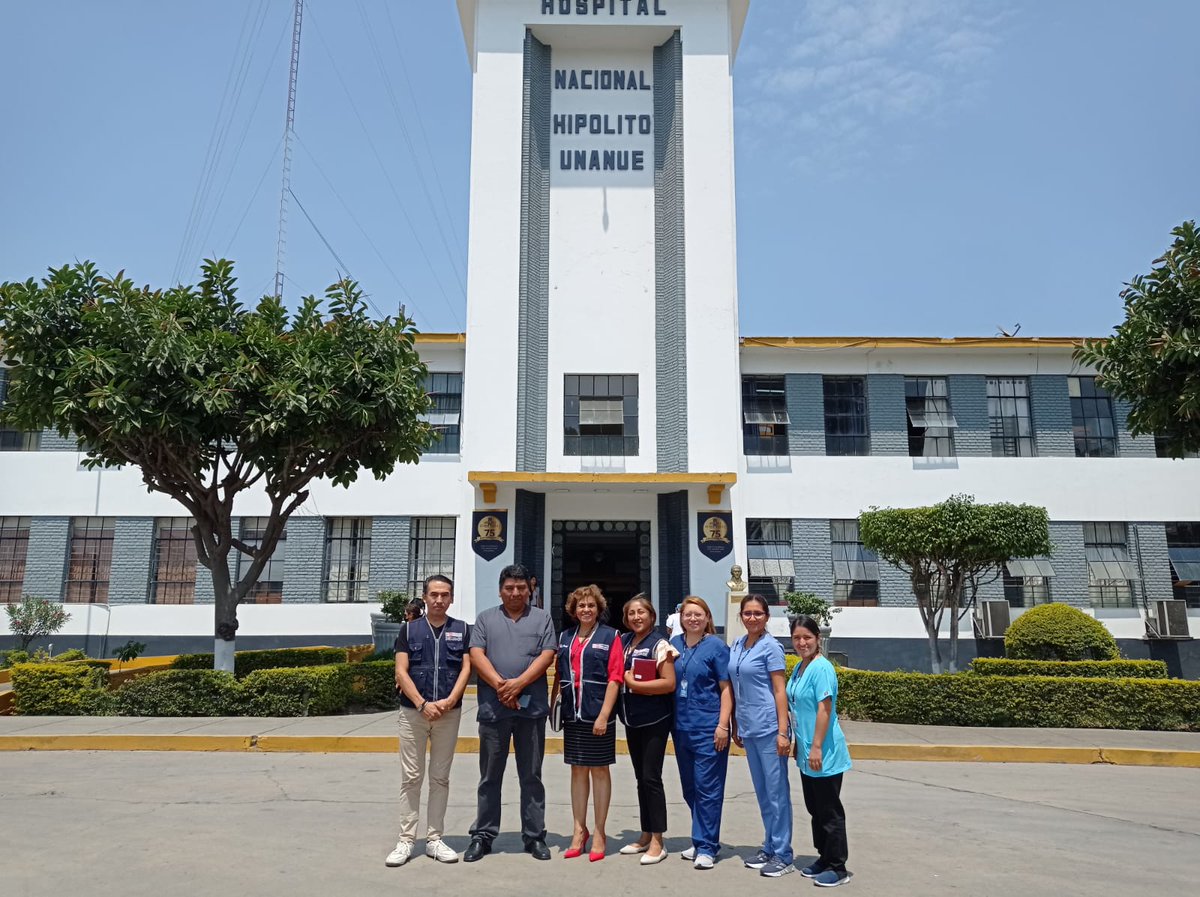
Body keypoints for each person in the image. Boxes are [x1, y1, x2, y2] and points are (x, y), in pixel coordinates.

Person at [465, 564, 558, 862]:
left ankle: (534, 836)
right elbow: (476, 653)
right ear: (500, 590)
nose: (515, 592)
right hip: (494, 709)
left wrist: (517, 684)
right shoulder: (485, 619)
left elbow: (547, 655)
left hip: (531, 711)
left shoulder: (542, 618)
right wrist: (500, 685)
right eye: (509, 587)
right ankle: (483, 835)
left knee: (531, 775)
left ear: (529, 589)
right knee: (490, 776)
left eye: (521, 587)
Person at [387, 575, 471, 867]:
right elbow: (401, 671)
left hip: (449, 714)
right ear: (424, 597)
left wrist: (448, 702)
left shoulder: (461, 630)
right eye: (433, 594)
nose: (439, 600)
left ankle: (434, 839)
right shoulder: (409, 630)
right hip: (413, 713)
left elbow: (465, 669)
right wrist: (422, 704)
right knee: (411, 778)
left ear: (451, 598)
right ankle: (406, 840)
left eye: (444, 594)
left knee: (440, 778)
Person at [550, 584, 624, 861]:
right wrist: (553, 707)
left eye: (591, 605)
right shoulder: (565, 637)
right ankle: (578, 830)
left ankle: (600, 831)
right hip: (573, 713)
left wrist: (605, 714)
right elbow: (559, 674)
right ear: (573, 609)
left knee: (600, 770)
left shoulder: (611, 636)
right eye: (581, 605)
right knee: (578, 770)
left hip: (598, 714)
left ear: (599, 609)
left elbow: (616, 676)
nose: (586, 610)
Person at [729, 594, 793, 877]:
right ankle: (769, 845)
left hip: (769, 728)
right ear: (741, 616)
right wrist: (736, 725)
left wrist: (783, 731)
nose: (752, 618)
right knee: (763, 792)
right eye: (747, 613)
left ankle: (783, 853)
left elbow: (780, 691)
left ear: (767, 617)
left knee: (777, 792)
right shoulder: (737, 645)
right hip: (748, 727)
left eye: (757, 613)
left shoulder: (771, 647)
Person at [787, 615, 853, 888]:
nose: (802, 642)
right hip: (806, 750)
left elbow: (824, 709)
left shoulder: (822, 668)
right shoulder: (801, 667)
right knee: (815, 808)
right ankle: (824, 858)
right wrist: (799, 745)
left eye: (807, 638)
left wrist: (815, 747)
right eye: (797, 638)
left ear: (818, 639)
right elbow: (799, 709)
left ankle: (838, 867)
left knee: (829, 810)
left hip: (823, 750)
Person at [670, 596, 732, 870]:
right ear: (680, 618)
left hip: (709, 728)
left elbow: (726, 689)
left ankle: (707, 846)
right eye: (688, 614)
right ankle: (700, 837)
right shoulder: (673, 645)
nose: (693, 619)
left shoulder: (716, 647)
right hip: (681, 727)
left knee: (708, 788)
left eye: (698, 614)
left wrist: (723, 725)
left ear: (707, 618)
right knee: (690, 787)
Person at [616, 594, 678, 865]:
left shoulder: (660, 644)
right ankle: (644, 833)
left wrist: (634, 685)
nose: (636, 617)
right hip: (631, 719)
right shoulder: (625, 642)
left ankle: (658, 840)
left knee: (652, 778)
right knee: (640, 778)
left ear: (652, 616)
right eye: (631, 613)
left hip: (654, 719)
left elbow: (668, 683)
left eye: (641, 612)